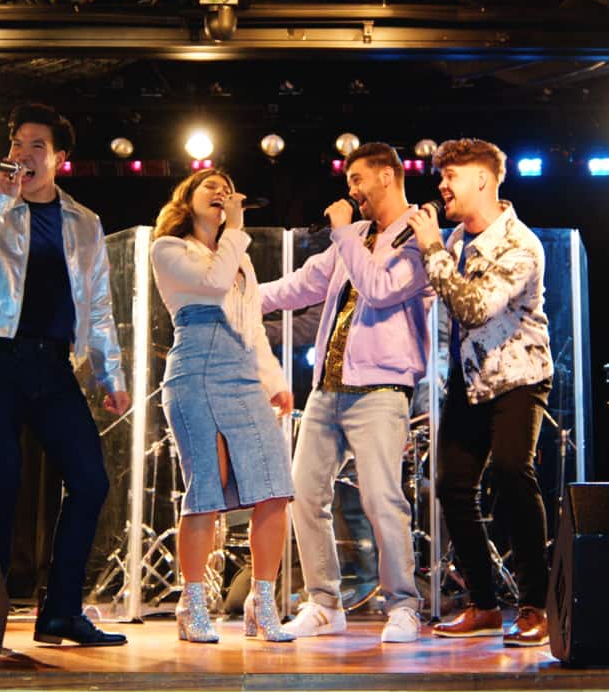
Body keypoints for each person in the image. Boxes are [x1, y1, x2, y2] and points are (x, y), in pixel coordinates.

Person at [0, 102, 130, 648]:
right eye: (18, 145)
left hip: (53, 366)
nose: (23, 156)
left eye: (37, 147)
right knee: (3, 484)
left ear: (60, 159)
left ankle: (61, 611)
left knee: (91, 480)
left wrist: (110, 373)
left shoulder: (84, 222)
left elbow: (98, 305)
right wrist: (2, 205)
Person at [260, 142, 434, 644]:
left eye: (358, 179)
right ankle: (324, 603)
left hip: (381, 387)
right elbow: (301, 285)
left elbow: (380, 288)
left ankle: (403, 604)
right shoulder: (354, 235)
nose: (351, 190)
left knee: (383, 500)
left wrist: (342, 234)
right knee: (304, 494)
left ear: (386, 175)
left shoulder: (419, 235)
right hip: (327, 389)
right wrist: (242, 295)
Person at [406, 138, 554, 646]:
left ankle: (537, 606)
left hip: (519, 377)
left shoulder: (520, 244)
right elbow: (444, 318)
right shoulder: (452, 243)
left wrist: (429, 248)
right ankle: (485, 606)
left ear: (484, 181)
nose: (442, 185)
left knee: (515, 471)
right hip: (467, 382)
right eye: (441, 175)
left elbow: (473, 308)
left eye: (452, 176)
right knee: (451, 487)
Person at [150, 169, 295, 643]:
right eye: (210, 186)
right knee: (207, 490)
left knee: (274, 488)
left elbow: (251, 324)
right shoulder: (168, 249)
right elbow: (212, 285)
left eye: (228, 186)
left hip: (243, 373)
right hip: (195, 371)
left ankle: (263, 602)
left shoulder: (239, 258)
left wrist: (274, 381)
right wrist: (233, 229)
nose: (221, 192)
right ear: (186, 199)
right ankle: (191, 605)